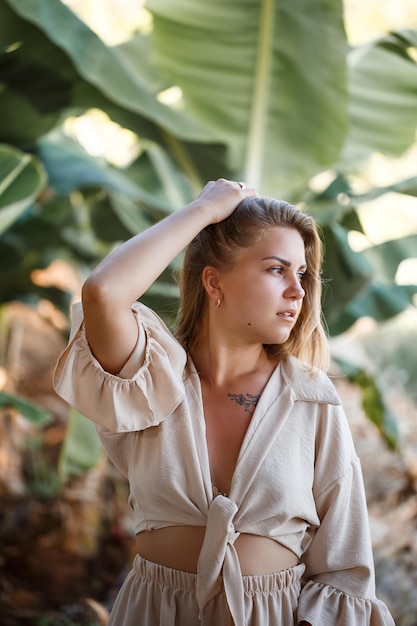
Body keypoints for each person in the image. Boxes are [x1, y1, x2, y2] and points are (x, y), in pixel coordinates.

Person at [54, 178, 395, 626]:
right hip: (157, 611)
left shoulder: (311, 401)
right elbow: (103, 293)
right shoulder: (150, 377)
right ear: (214, 282)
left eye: (302, 274)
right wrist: (204, 209)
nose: (298, 290)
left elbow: (343, 568)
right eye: (277, 269)